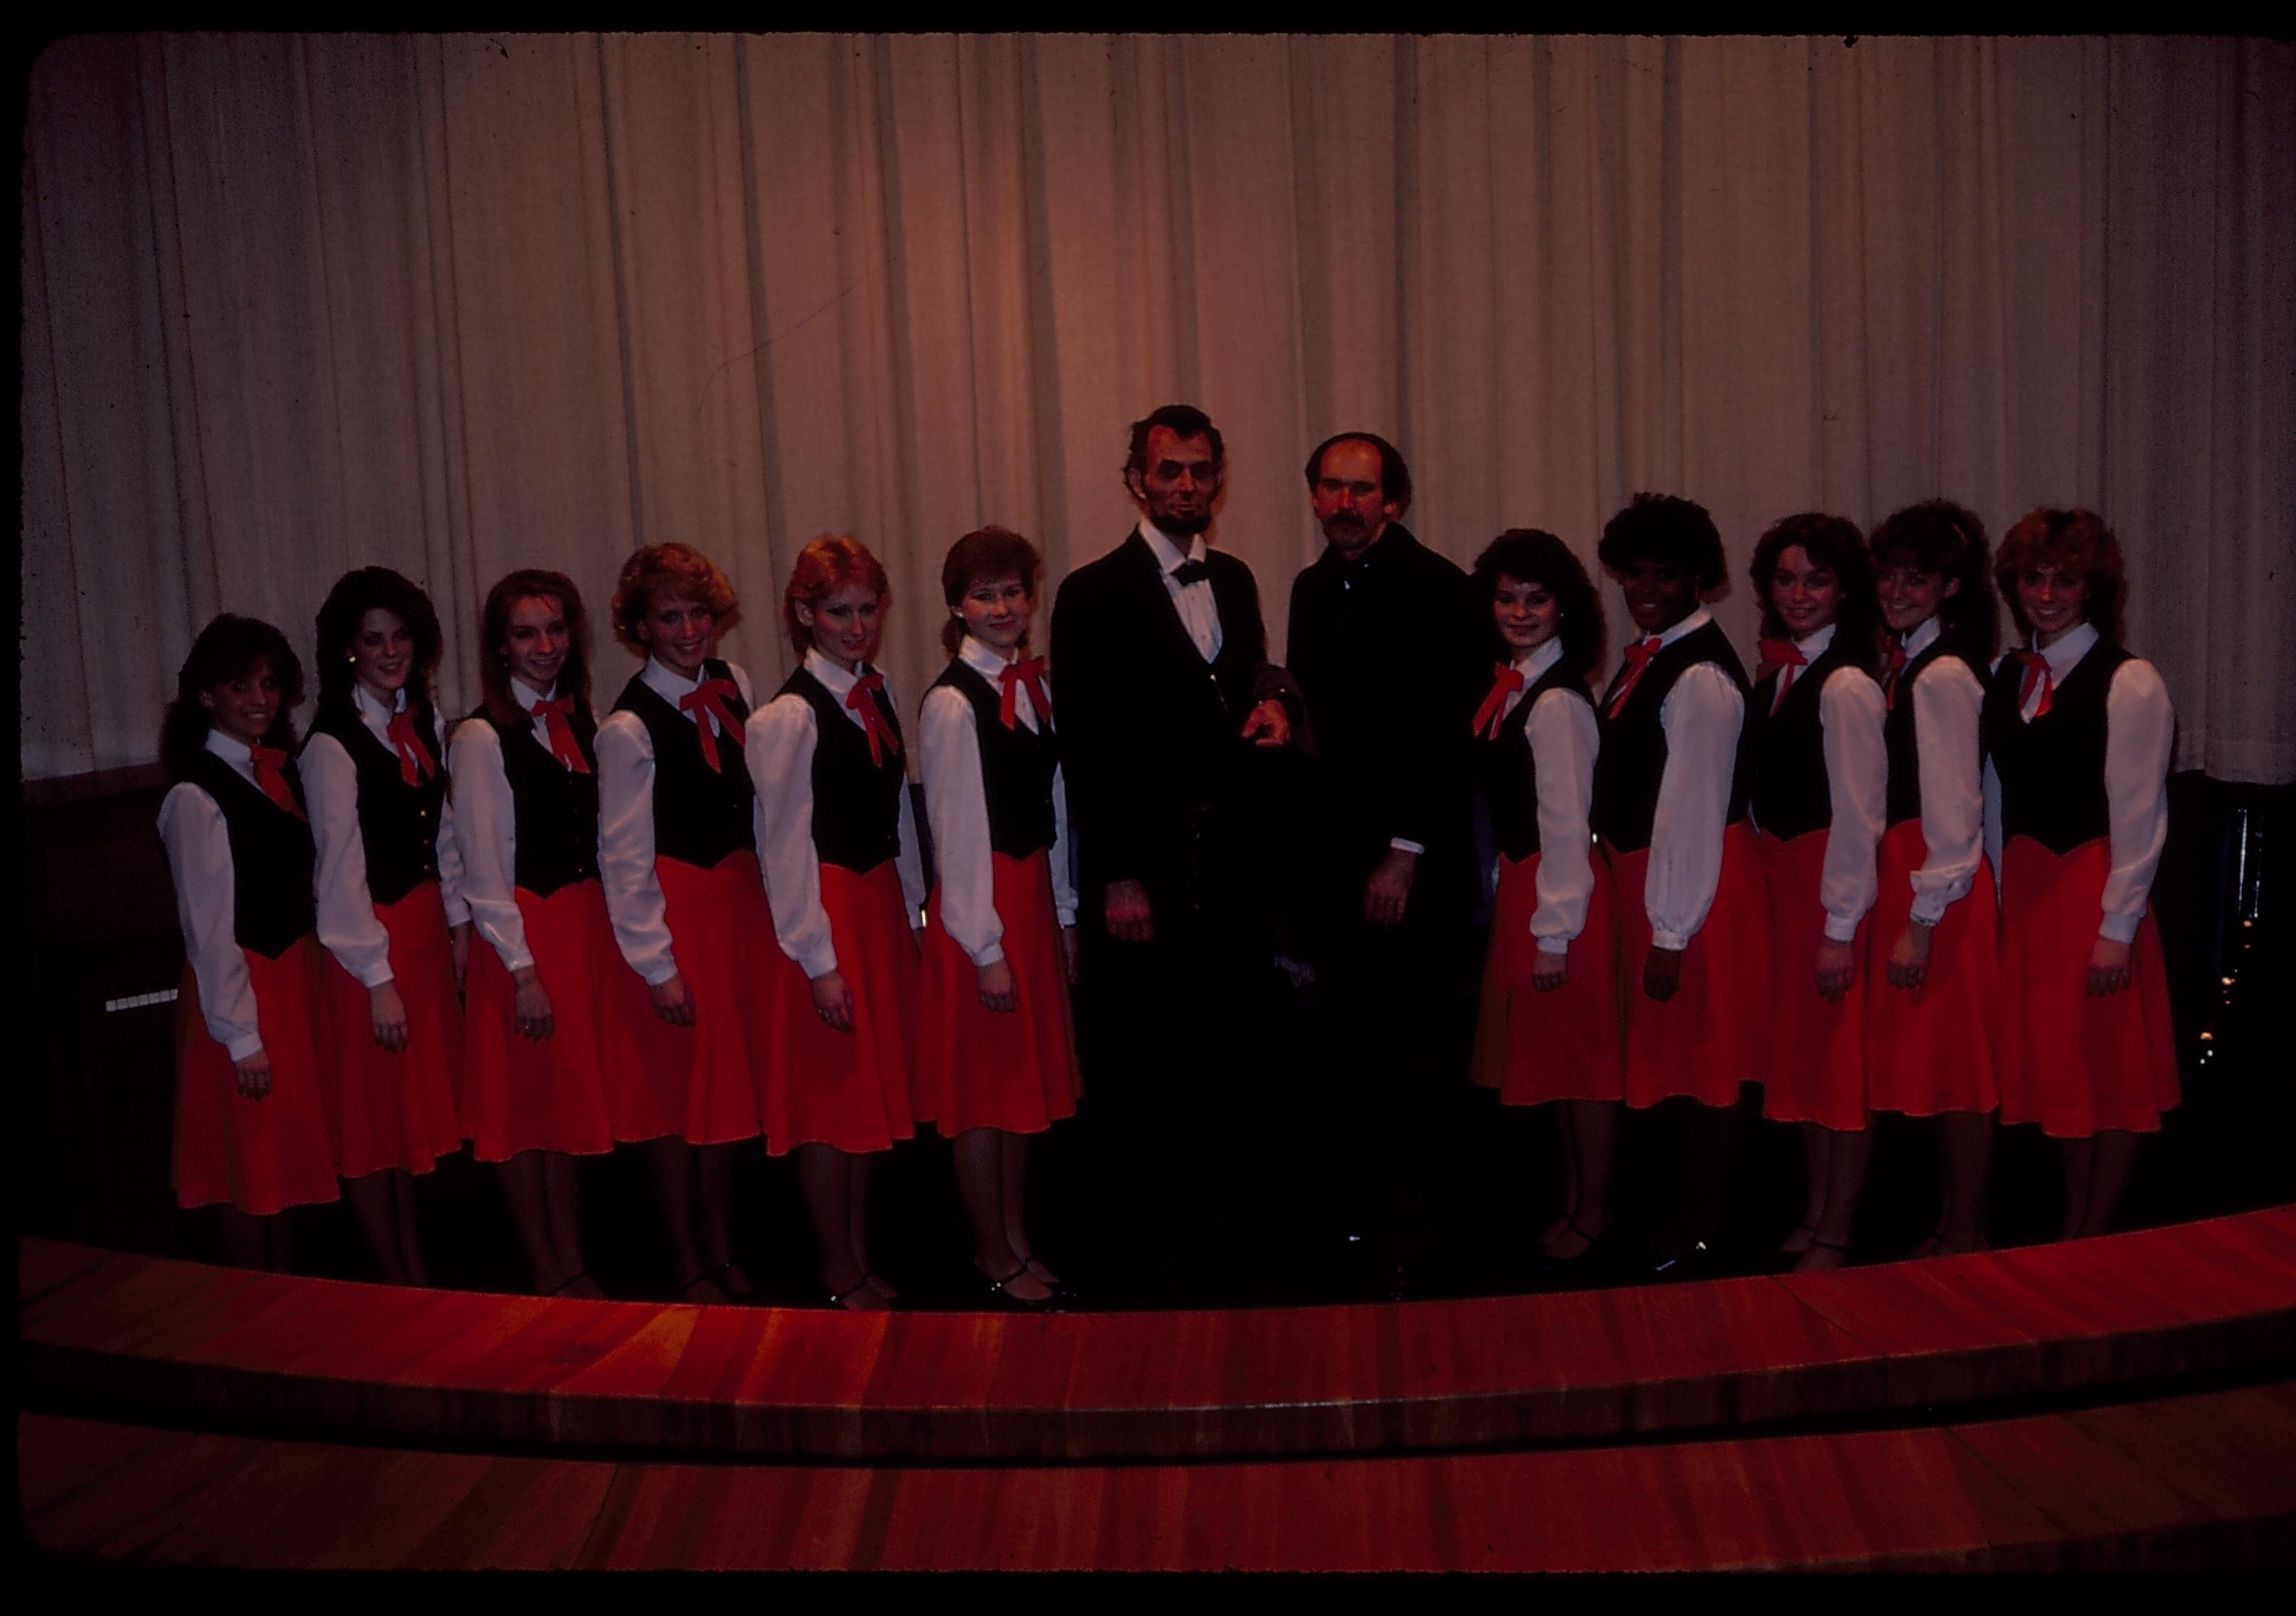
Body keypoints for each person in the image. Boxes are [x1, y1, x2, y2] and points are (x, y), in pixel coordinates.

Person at [1048, 402, 1298, 1300]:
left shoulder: (1233, 579)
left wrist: (1274, 716)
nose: (1186, 485)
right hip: (1140, 872)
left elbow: (1248, 693)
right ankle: (1145, 1259)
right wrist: (1116, 874)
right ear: (1137, 481)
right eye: (1170, 472)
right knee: (1142, 1065)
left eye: (1200, 472)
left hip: (1229, 865)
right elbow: (1087, 744)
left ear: (1216, 484)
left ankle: (1227, 1246)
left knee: (1228, 1053)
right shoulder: (1090, 592)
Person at [1283, 432, 1482, 1282]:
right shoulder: (1309, 587)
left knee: (1419, 1049)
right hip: (1335, 861)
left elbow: (1449, 736)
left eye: (1362, 490)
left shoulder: (1441, 587)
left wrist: (1403, 854)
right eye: (1330, 488)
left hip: (1416, 866)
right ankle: (1358, 1218)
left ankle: (1424, 1232)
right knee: (1350, 1045)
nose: (1345, 504)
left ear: (1393, 500)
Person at [1981, 508, 2177, 1240]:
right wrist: (2001, 898)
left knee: (2110, 1073)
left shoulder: (2131, 681)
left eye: (2065, 580)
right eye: (2034, 578)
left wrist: (2117, 928)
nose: (2047, 594)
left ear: (2092, 588)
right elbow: (1998, 799)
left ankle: (2093, 1238)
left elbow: (2140, 812)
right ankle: (2071, 1232)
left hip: (2094, 895)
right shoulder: (2009, 675)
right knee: (2065, 1075)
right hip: (2032, 896)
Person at [450, 569, 643, 1298]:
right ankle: (542, 1265)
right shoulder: (479, 736)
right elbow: (481, 864)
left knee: (561, 1108)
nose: (545, 646)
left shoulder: (579, 723)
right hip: (523, 940)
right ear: (500, 645)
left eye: (557, 630)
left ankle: (573, 1256)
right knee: (521, 1114)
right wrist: (522, 970)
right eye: (527, 633)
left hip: (581, 928)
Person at [1588, 493, 1767, 1274]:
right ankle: (1680, 1220)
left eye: (1666, 574)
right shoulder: (1652, 657)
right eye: (1636, 574)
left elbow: (1691, 811)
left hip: (1694, 895)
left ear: (1701, 577)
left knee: (1707, 1068)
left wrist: (1670, 931)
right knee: (1676, 1063)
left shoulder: (1698, 679)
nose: (1648, 588)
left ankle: (1705, 1230)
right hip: (1658, 887)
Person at [746, 536, 925, 1311]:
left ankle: (857, 1255)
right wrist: (817, 959)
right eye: (837, 612)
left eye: (866, 609)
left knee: (865, 1102)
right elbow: (781, 846)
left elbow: (896, 820)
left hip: (877, 903)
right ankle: (834, 1267)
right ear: (804, 614)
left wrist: (913, 915)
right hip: (822, 916)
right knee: (830, 1106)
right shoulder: (787, 716)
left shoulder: (873, 692)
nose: (855, 626)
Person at [597, 543, 772, 1303]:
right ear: (641, 627)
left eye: (700, 613)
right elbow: (623, 858)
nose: (690, 629)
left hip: (737, 907)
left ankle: (724, 1244)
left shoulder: (737, 685)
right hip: (673, 917)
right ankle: (684, 1257)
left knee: (728, 1095)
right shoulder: (627, 727)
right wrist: (655, 965)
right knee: (677, 1101)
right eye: (671, 617)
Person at [913, 527, 1081, 1309]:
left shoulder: (1030, 683)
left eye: (1014, 591)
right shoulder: (952, 703)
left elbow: (1052, 806)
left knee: (1022, 1087)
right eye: (985, 594)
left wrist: (1066, 913)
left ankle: (1016, 1238)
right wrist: (985, 946)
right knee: (984, 1094)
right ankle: (989, 1249)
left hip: (1030, 895)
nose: (1003, 606)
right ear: (957, 606)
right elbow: (954, 832)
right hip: (981, 911)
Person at [157, 615, 342, 1269]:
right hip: (241, 995)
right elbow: (209, 931)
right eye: (240, 687)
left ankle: (288, 1311)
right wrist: (241, 1038)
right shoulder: (194, 795)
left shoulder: (282, 772)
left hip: (293, 982)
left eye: (268, 684)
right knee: (249, 1169)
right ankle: (254, 1321)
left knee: (284, 1164)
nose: (260, 700)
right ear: (207, 697)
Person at [304, 567, 468, 1285]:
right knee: (375, 1124)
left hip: (424, 934)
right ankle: (392, 1284)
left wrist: (458, 927)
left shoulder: (422, 720)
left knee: (410, 1120)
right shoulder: (331, 745)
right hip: (367, 948)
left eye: (400, 635)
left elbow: (446, 836)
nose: (390, 650)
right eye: (374, 640)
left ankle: (417, 1273)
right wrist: (377, 979)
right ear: (349, 649)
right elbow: (338, 875)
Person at [1463, 530, 1620, 1269]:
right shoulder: (1518, 684)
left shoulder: (1556, 704)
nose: (1519, 611)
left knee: (1582, 1071)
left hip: (1564, 902)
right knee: (1554, 1068)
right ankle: (1571, 1204)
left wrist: (1555, 932)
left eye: (1536, 598)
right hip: (1529, 890)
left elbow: (1568, 825)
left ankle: (1594, 1214)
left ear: (1565, 608)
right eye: (1505, 596)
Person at [1741, 515, 1888, 1272]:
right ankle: (1814, 1211)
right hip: (1784, 888)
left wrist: (1839, 926)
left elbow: (1859, 819)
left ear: (1844, 590)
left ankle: (1838, 1228)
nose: (1800, 595)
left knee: (1840, 1069)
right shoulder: (1779, 672)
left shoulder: (1850, 684)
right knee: (1804, 1065)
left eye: (1818, 581)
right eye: (1787, 579)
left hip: (1831, 894)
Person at [1867, 502, 2000, 1257]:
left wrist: (1921, 923)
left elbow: (1954, 811)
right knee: (1946, 1070)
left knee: (1962, 1073)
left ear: (1950, 587)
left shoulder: (1942, 672)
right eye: (1888, 574)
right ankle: (1952, 1225)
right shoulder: (1914, 660)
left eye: (1916, 579)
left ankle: (1969, 1230)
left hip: (1939, 887)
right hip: (1919, 879)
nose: (1897, 589)